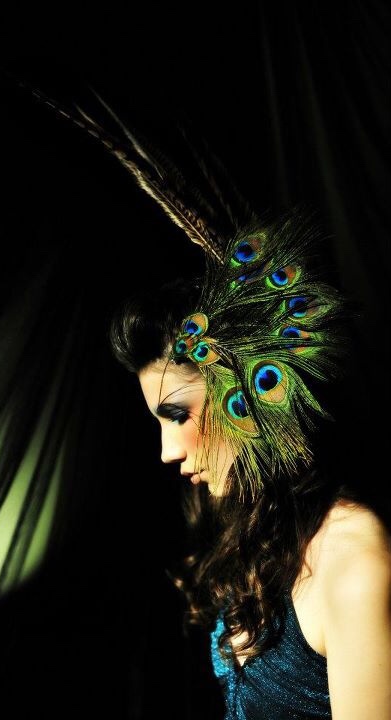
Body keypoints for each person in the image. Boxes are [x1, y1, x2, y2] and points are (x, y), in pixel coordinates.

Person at [108, 211, 391, 719]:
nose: (168, 451)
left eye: (178, 414)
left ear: (247, 394)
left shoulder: (353, 556)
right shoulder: (255, 532)